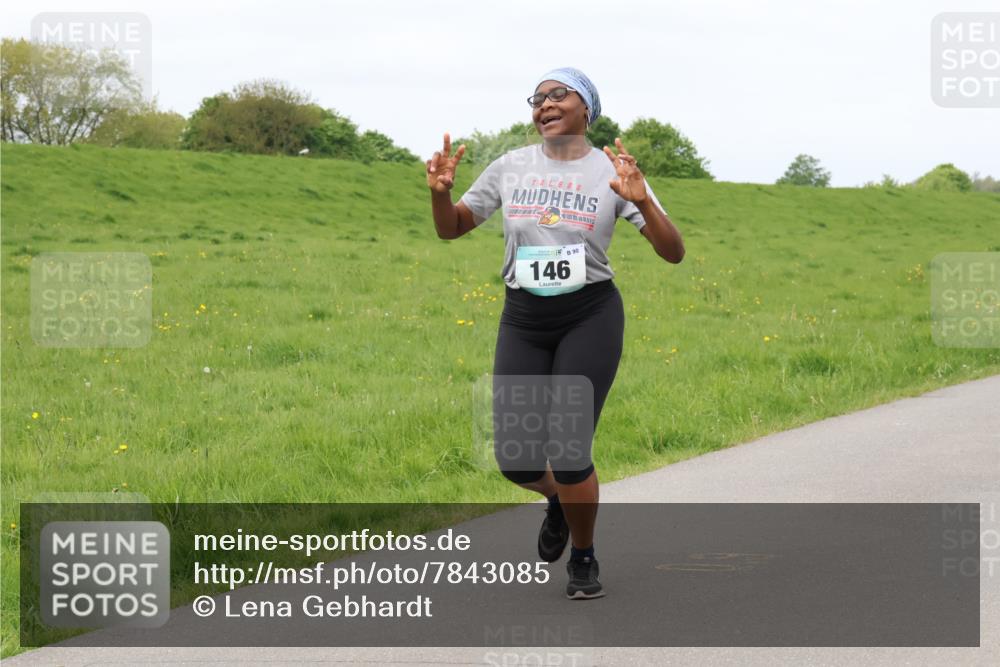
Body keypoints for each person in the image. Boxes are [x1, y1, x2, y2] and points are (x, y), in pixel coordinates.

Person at [427, 67, 685, 599]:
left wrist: (642, 200)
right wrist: (439, 195)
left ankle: (583, 558)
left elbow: (673, 251)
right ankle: (557, 503)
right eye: (537, 98)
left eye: (558, 94)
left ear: (587, 108)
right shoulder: (510, 166)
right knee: (516, 460)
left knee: (569, 451)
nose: (544, 104)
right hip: (524, 318)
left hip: (589, 315)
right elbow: (451, 227)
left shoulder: (612, 171)